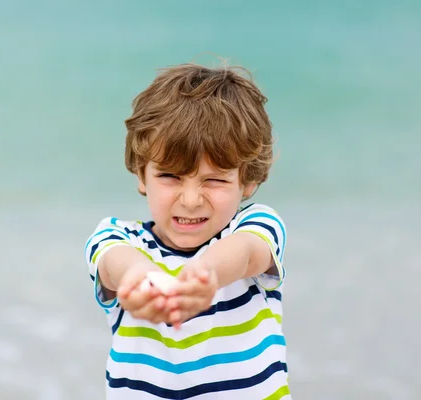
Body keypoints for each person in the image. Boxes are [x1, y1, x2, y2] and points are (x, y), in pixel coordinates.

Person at [84, 61, 290, 399]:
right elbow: (115, 264)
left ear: (248, 180)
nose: (191, 200)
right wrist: (143, 280)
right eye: (170, 176)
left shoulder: (255, 226)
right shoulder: (118, 238)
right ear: (141, 175)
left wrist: (206, 274)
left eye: (214, 180)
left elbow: (245, 253)